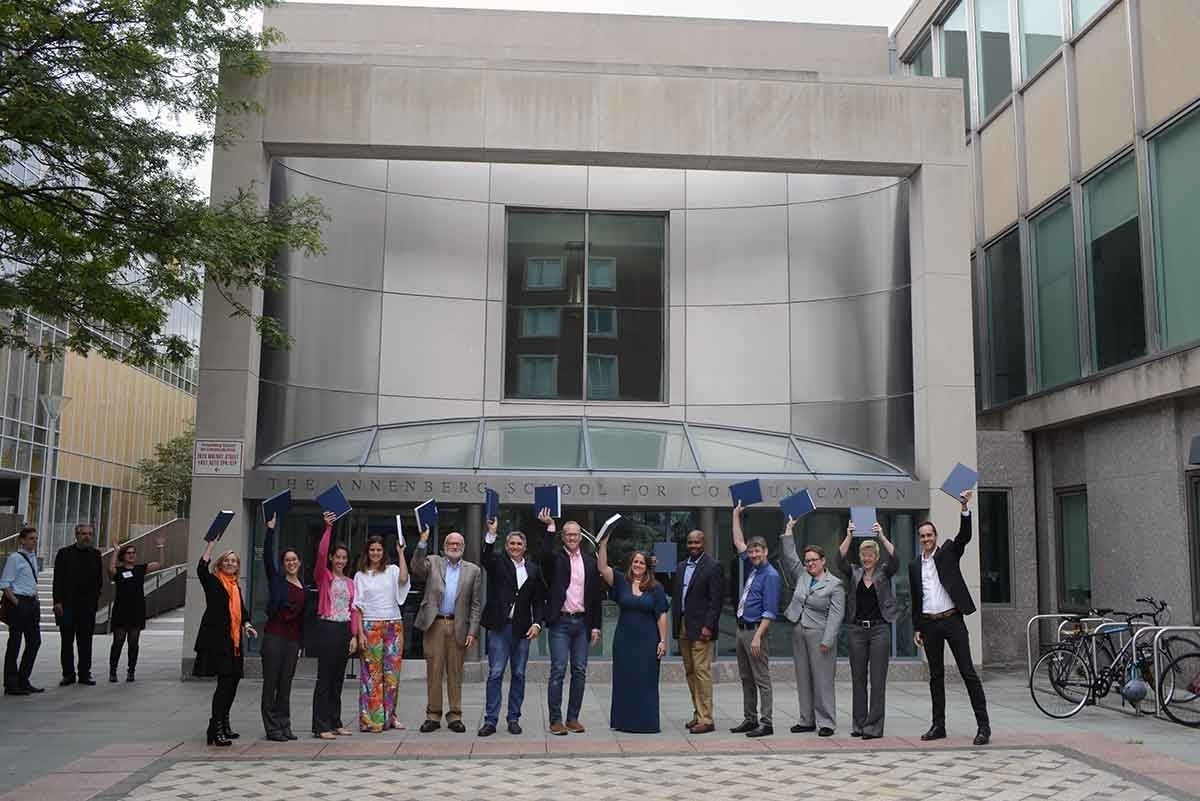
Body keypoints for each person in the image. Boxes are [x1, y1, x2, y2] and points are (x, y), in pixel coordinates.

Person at [909, 490, 990, 746]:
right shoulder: (914, 566)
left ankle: (983, 727)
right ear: (919, 540)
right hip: (930, 624)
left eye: (929, 535)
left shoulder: (948, 553)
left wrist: (964, 508)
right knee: (936, 677)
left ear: (935, 536)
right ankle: (938, 725)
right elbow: (916, 599)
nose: (926, 539)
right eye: (922, 536)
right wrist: (917, 628)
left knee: (968, 672)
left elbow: (964, 536)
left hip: (952, 621)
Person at [537, 508, 603, 735]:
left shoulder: (590, 561)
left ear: (580, 537)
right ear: (563, 537)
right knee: (558, 670)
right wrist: (550, 528)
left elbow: (595, 596)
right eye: (568, 535)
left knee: (580, 670)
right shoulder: (556, 558)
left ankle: (573, 718)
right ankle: (555, 720)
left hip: (583, 624)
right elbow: (543, 556)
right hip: (561, 624)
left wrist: (596, 626)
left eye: (575, 535)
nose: (572, 538)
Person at [411, 527, 482, 733]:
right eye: (451, 543)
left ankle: (455, 716)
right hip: (434, 624)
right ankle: (433, 715)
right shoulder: (433, 562)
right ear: (444, 547)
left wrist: (473, 631)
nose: (455, 546)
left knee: (455, 672)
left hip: (458, 625)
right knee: (434, 671)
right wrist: (422, 542)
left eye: (458, 544)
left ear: (464, 547)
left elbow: (476, 604)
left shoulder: (473, 570)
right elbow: (416, 567)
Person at [478, 519, 545, 736]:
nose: (515, 547)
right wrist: (491, 534)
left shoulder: (533, 569)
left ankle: (514, 718)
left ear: (524, 548)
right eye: (512, 544)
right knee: (496, 673)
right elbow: (485, 558)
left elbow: (538, 600)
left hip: (522, 630)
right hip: (500, 627)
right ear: (506, 546)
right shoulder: (498, 563)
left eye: (519, 544)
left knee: (518, 674)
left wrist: (537, 623)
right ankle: (490, 720)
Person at [598, 537, 668, 733]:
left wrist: (662, 641)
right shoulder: (621, 581)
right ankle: (623, 722)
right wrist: (603, 544)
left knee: (646, 681)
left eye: (641, 562)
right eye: (635, 561)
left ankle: (646, 723)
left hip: (648, 640)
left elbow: (662, 614)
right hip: (624, 640)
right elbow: (603, 568)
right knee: (624, 679)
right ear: (631, 564)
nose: (638, 565)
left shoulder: (656, 587)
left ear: (647, 566)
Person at [780, 527, 844, 737]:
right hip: (799, 630)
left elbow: (836, 615)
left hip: (820, 635)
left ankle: (826, 722)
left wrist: (828, 640)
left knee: (823, 679)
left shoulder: (834, 584)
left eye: (813, 560)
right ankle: (806, 719)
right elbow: (790, 557)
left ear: (823, 560)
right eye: (807, 560)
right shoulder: (803, 576)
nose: (809, 564)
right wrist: (789, 531)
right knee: (803, 677)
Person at [837, 521, 898, 739]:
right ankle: (859, 724)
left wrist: (881, 535)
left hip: (879, 630)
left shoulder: (884, 573)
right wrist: (849, 536)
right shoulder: (854, 573)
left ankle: (874, 727)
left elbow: (896, 558)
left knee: (878, 680)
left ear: (877, 556)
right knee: (858, 678)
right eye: (864, 554)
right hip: (857, 631)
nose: (866, 557)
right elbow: (838, 559)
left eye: (870, 554)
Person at [193, 538, 257, 746]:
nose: (231, 564)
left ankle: (224, 723)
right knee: (224, 685)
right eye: (227, 561)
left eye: (234, 561)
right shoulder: (213, 580)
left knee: (233, 683)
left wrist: (247, 625)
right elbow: (201, 568)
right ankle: (215, 728)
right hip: (217, 640)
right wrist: (211, 544)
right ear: (220, 564)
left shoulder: (235, 586)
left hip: (234, 641)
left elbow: (242, 612)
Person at [730, 502, 782, 738]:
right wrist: (735, 516)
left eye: (757, 551)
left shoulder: (770, 575)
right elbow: (738, 542)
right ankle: (750, 719)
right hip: (742, 630)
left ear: (766, 551)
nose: (752, 554)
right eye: (751, 552)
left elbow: (770, 612)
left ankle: (766, 722)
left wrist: (758, 637)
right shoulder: (754, 568)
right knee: (745, 678)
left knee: (761, 679)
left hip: (755, 633)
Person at [354, 533, 411, 733]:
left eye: (379, 550)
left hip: (393, 625)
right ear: (367, 552)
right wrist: (359, 633)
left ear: (383, 552)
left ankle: (390, 717)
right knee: (372, 676)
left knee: (392, 675)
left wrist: (401, 553)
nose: (375, 553)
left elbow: (404, 580)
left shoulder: (392, 570)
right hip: (370, 626)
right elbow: (358, 608)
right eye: (372, 550)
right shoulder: (360, 575)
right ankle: (372, 720)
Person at [670, 529, 723, 734]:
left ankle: (707, 719)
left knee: (701, 672)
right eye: (690, 542)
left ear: (704, 543)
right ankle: (698, 713)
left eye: (697, 542)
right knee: (690, 671)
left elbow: (715, 601)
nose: (693, 546)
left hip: (702, 628)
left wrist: (708, 626)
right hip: (683, 624)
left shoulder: (713, 567)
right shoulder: (681, 566)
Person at [312, 510, 359, 740]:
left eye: (344, 558)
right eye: (337, 557)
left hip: (343, 630)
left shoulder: (350, 582)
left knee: (338, 679)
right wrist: (328, 528)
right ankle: (321, 725)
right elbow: (320, 554)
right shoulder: (324, 577)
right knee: (325, 677)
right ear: (332, 558)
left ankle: (335, 721)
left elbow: (353, 610)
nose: (341, 561)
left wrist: (353, 636)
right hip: (327, 628)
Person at [260, 513, 305, 741]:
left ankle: (284, 724)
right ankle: (272, 728)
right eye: (287, 560)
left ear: (299, 562)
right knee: (271, 683)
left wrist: (300, 645)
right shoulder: (277, 580)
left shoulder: (303, 586)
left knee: (285, 684)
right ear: (283, 563)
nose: (291, 563)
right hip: (274, 637)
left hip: (292, 640)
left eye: (294, 559)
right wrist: (270, 530)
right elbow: (267, 556)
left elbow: (302, 619)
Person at [106, 534, 165, 682]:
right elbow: (111, 570)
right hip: (121, 609)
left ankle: (131, 671)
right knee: (118, 641)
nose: (132, 555)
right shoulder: (119, 571)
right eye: (129, 553)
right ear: (123, 556)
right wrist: (115, 550)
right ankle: (113, 671)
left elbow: (160, 564)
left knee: (133, 642)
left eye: (133, 553)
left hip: (137, 609)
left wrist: (161, 547)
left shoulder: (140, 568)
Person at [53, 523, 103, 686]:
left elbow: (98, 581)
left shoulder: (96, 554)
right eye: (83, 534)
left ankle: (84, 673)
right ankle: (68, 674)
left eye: (89, 534)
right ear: (76, 535)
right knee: (66, 641)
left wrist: (95, 600)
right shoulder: (64, 553)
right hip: (67, 605)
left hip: (87, 606)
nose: (87, 537)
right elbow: (57, 580)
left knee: (85, 641)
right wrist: (57, 602)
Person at [1, 526, 43, 696]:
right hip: (19, 602)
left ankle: (23, 679)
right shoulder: (15, 558)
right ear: (22, 540)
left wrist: (36, 598)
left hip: (32, 602)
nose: (34, 541)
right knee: (15, 643)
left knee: (34, 641)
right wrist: (17, 602)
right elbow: (4, 584)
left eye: (36, 538)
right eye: (31, 538)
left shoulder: (33, 558)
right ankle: (11, 683)